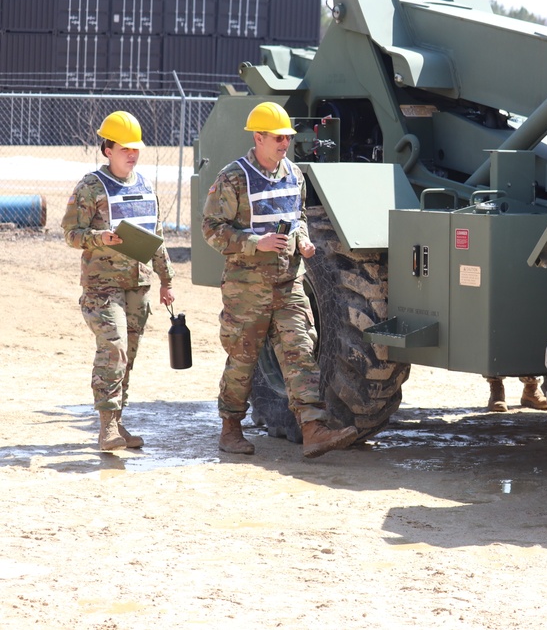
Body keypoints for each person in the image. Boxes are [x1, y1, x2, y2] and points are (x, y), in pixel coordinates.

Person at [202, 101, 357, 458]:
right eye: (277, 138)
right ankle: (230, 428)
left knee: (300, 352)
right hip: (247, 289)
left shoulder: (295, 174)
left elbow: (298, 215)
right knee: (243, 358)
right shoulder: (233, 177)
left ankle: (312, 428)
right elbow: (211, 230)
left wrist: (302, 239)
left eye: (287, 137)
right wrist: (256, 243)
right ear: (257, 137)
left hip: (289, 284)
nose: (285, 143)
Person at [62, 110, 175, 451]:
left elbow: (156, 236)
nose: (132, 154)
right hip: (102, 287)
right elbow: (70, 234)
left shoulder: (145, 186)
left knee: (130, 357)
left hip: (137, 287)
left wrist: (167, 281)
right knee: (114, 350)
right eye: (124, 148)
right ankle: (106, 427)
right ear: (107, 149)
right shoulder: (90, 186)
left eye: (136, 148)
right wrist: (101, 237)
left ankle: (119, 423)